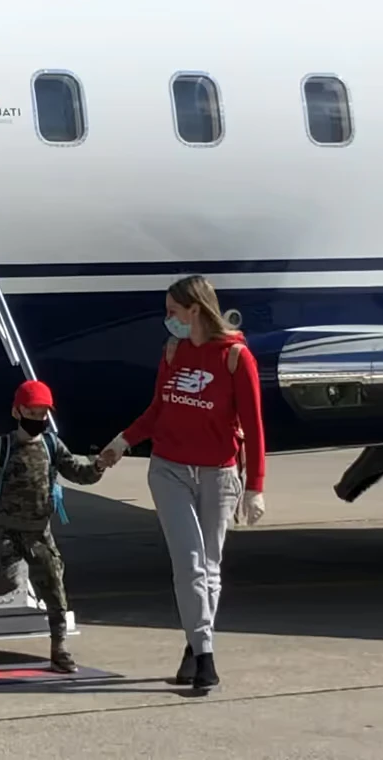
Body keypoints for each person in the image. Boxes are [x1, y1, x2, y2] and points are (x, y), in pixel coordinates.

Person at [96, 274, 268, 693]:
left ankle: (194, 644)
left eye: (173, 311)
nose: (167, 319)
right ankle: (206, 655)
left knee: (210, 568)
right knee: (190, 563)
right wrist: (121, 443)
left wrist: (255, 485)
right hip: (169, 468)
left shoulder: (235, 357)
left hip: (219, 473)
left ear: (195, 310)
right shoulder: (173, 349)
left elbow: (253, 424)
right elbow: (159, 410)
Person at [0, 379, 105, 673]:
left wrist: (98, 466)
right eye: (33, 413)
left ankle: (59, 649)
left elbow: (79, 474)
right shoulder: (3, 447)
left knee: (55, 588)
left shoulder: (52, 445)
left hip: (39, 531)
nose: (38, 420)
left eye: (43, 414)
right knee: (12, 579)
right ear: (17, 412)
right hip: (7, 530)